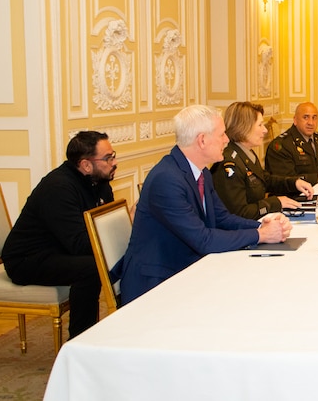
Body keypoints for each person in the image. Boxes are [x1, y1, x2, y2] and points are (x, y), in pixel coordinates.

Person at [116, 105, 292, 304]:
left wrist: (262, 225)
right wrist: (261, 235)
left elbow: (222, 218)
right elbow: (203, 239)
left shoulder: (202, 172)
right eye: (222, 134)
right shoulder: (166, 179)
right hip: (156, 283)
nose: (227, 139)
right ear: (202, 140)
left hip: (187, 269)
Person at [1, 131, 116, 339]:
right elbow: (79, 243)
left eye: (113, 155)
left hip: (59, 249)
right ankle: (81, 340)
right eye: (108, 158)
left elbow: (102, 226)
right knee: (91, 267)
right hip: (28, 259)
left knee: (119, 256)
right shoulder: (59, 187)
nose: (114, 162)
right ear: (86, 165)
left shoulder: (100, 183)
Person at [212, 102, 314, 219]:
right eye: (260, 125)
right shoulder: (229, 165)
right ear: (244, 127)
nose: (265, 130)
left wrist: (294, 183)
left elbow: (264, 180)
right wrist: (274, 203)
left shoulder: (246, 153)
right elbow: (239, 214)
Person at [265, 102, 318, 184]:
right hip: (295, 197)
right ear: (295, 120)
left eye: (314, 117)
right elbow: (285, 181)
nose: (311, 123)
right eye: (305, 117)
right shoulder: (281, 145)